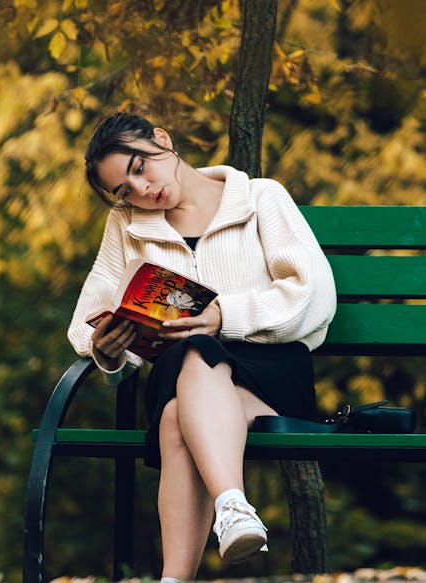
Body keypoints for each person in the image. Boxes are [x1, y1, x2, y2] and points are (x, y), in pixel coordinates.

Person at [68, 112, 337, 582]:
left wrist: (223, 317)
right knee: (185, 373)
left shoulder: (258, 198)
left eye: (139, 167)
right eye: (125, 190)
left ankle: (185, 565)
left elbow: (313, 295)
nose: (141, 190)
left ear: (163, 141)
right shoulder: (127, 225)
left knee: (183, 388)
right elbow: (85, 321)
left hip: (269, 375)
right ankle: (231, 508)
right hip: (185, 376)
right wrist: (108, 348)